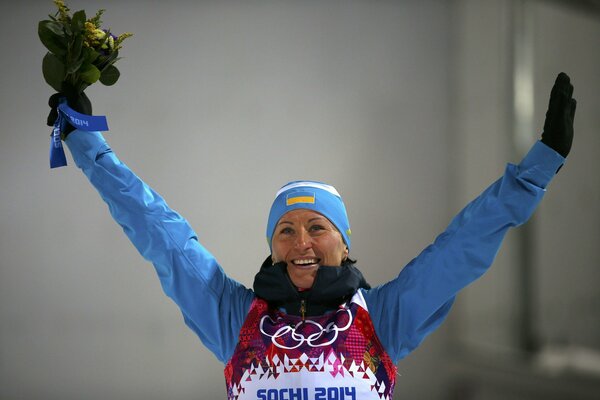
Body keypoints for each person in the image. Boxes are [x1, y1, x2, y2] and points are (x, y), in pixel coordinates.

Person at [46, 73, 576, 400]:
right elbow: (159, 232)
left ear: (344, 243)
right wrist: (89, 146)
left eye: (317, 227)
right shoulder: (234, 317)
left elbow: (464, 245)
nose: (301, 241)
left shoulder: (383, 318)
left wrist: (539, 167)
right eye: (285, 230)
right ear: (271, 247)